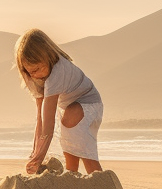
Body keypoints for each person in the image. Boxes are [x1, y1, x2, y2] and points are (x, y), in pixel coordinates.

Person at [13, 29, 104, 175]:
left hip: (89, 104)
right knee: (69, 147)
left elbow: (48, 124)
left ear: (48, 57)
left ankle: (100, 182)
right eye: (29, 71)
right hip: (69, 107)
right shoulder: (32, 76)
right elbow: (40, 119)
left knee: (84, 149)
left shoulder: (58, 72)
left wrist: (39, 157)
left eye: (37, 69)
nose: (34, 75)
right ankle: (71, 176)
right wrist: (35, 154)